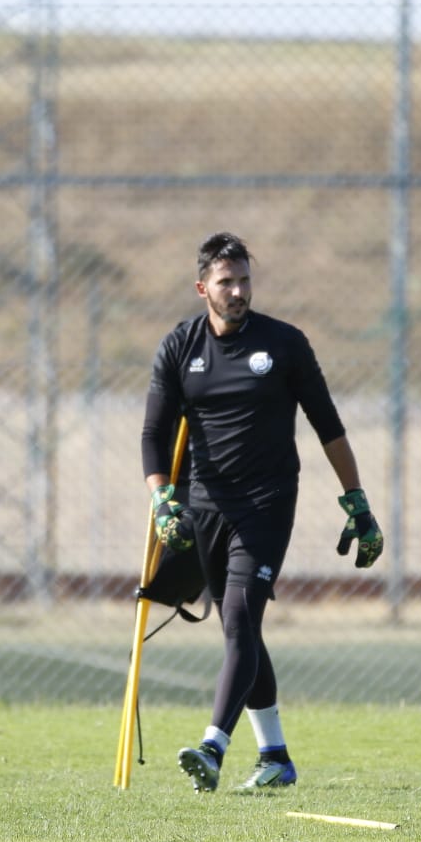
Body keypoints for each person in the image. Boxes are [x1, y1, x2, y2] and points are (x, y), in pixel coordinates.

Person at [139, 231, 384, 793]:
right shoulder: (179, 348)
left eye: (245, 279)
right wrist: (161, 497)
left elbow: (330, 428)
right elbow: (154, 432)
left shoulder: (286, 344)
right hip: (205, 506)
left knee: (243, 620)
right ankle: (275, 756)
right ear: (203, 288)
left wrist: (358, 503)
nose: (239, 291)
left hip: (268, 502)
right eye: (227, 282)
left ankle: (213, 746)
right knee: (236, 629)